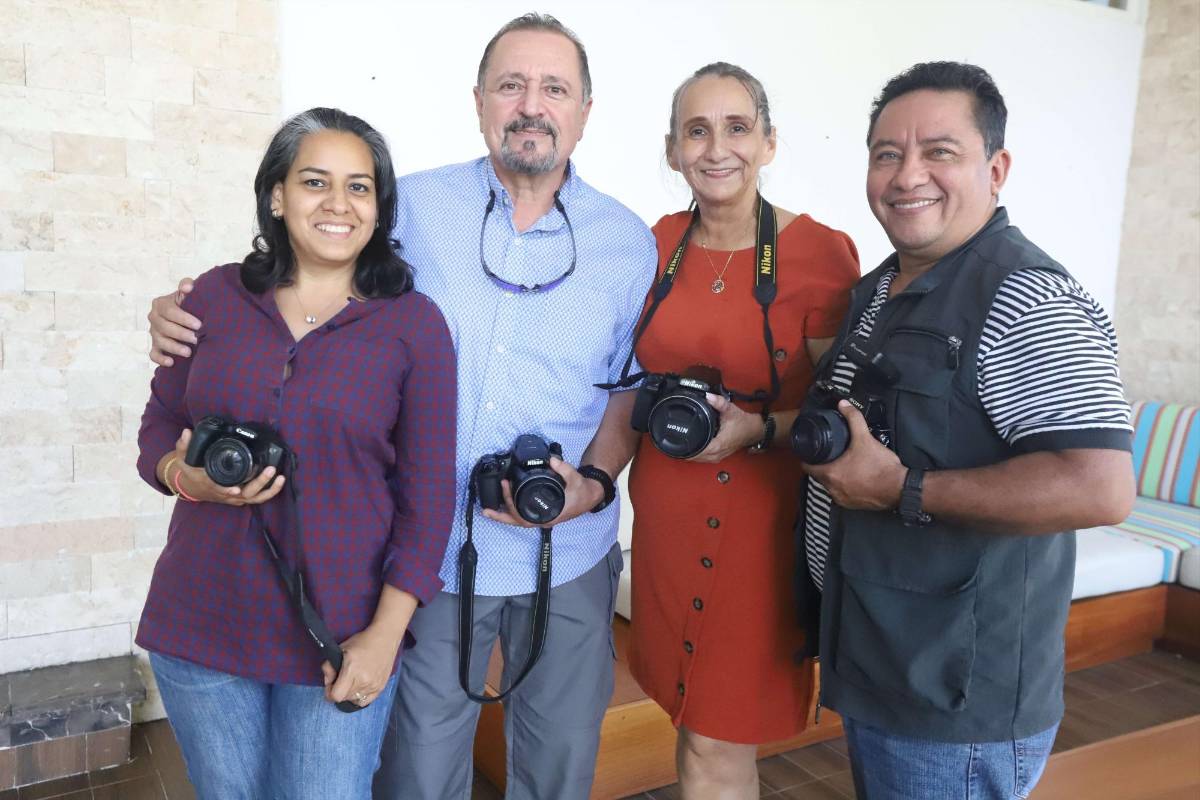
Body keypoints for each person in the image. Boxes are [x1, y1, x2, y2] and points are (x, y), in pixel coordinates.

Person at [145, 14, 657, 800]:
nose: (531, 104)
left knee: (558, 771)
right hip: (431, 558)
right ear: (480, 100)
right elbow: (294, 283)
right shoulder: (406, 207)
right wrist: (189, 310)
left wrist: (591, 483)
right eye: (511, 84)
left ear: (585, 109)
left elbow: (627, 389)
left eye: (555, 88)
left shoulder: (629, 242)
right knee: (415, 776)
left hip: (571, 551)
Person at [798, 62, 1135, 800]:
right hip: (885, 662)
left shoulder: (1028, 297)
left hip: (954, 700)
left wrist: (901, 489)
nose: (906, 174)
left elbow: (1100, 487)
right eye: (886, 153)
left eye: (938, 151)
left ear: (996, 167)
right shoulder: (883, 288)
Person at [135, 107, 457, 800]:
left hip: (338, 635)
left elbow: (429, 500)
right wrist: (183, 477)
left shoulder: (414, 327)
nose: (337, 204)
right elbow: (160, 424)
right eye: (315, 182)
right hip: (200, 623)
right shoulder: (215, 298)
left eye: (360, 187)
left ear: (380, 206)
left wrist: (385, 635)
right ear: (277, 196)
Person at [624, 63, 859, 798]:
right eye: (697, 130)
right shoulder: (651, 244)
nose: (716, 148)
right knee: (689, 726)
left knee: (718, 742)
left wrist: (758, 429)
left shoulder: (821, 253)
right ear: (672, 150)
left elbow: (843, 415)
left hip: (758, 530)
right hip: (665, 519)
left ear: (768, 142)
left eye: (736, 127)